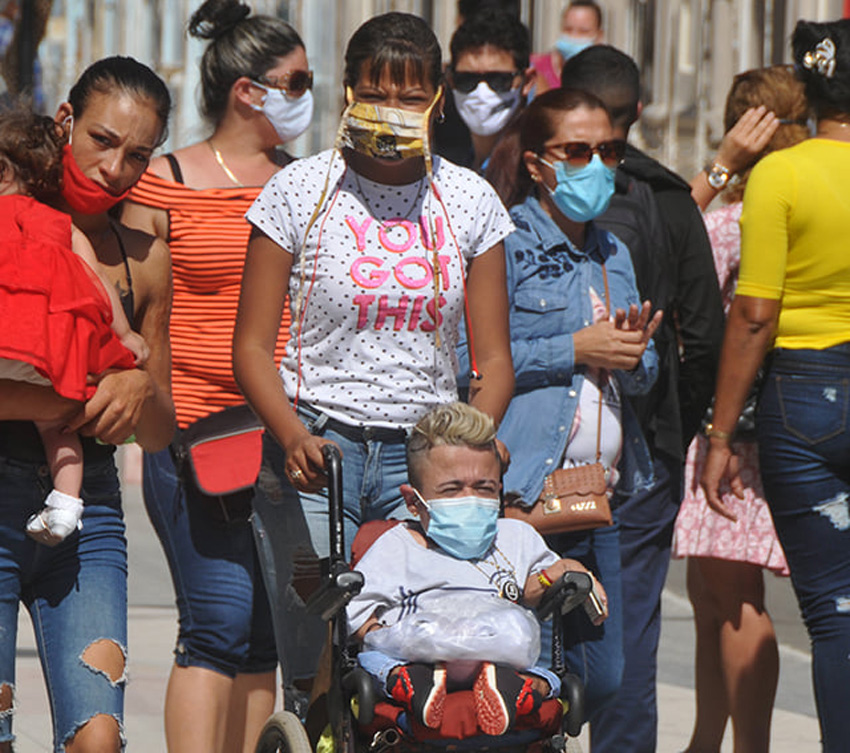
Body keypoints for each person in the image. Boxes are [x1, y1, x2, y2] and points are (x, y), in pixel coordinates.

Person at [233, 10, 515, 693]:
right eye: (378, 94)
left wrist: (475, 442)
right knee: (317, 659)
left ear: (438, 97)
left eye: (412, 96)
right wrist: (292, 433)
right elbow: (249, 347)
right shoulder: (299, 191)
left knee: (415, 647)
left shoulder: (469, 199)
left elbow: (495, 361)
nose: (394, 110)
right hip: (316, 454)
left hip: (423, 463)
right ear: (348, 94)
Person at [121, 1, 309, 750]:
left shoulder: (305, 183)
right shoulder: (164, 183)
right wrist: (155, 418)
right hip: (193, 437)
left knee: (268, 627)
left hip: (285, 437)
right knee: (217, 621)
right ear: (247, 90)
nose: (309, 93)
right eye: (297, 80)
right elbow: (140, 315)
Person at [0, 55, 174, 753]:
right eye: (103, 140)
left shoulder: (143, 254)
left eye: (137, 154)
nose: (115, 168)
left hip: (90, 509)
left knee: (98, 737)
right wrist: (65, 392)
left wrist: (138, 386)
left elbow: (159, 430)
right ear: (66, 120)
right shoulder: (9, 221)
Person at [561, 45, 724, 753]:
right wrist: (674, 428)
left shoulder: (524, 191)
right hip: (642, 462)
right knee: (625, 639)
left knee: (525, 631)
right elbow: (706, 336)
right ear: (642, 110)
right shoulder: (670, 200)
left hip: (541, 450)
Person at [483, 86, 661, 728]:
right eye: (578, 151)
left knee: (605, 678)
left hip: (595, 497)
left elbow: (641, 377)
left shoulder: (613, 251)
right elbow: (473, 363)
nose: (597, 165)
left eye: (609, 151)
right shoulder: (506, 243)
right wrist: (575, 346)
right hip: (526, 494)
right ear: (538, 163)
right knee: (523, 667)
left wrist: (634, 353)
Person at [701, 20, 850, 751]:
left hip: (807, 393)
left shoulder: (783, 177)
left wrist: (722, 433)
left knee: (834, 611)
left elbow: (754, 315)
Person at [675, 65, 808, 753]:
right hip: (776, 414)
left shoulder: (733, 221)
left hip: (730, 425)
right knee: (711, 598)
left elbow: (668, 238)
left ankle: (745, 745)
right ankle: (705, 739)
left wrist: (720, 167)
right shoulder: (805, 206)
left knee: (734, 603)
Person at [348, 402, 606, 736]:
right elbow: (356, 611)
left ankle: (511, 689)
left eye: (484, 488)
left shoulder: (517, 537)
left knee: (551, 676)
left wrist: (564, 568)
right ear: (414, 502)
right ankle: (417, 683)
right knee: (371, 658)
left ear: (499, 489)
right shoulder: (396, 546)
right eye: (452, 489)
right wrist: (381, 634)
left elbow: (534, 593)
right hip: (422, 656)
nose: (470, 498)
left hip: (497, 657)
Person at [0, 108, 149, 547]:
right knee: (58, 429)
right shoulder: (60, 226)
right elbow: (97, 285)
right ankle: (65, 505)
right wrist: (125, 336)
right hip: (48, 357)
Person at [443, 9, 535, 172]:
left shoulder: (536, 167)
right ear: (451, 80)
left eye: (499, 80)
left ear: (526, 81)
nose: (481, 92)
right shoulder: (446, 163)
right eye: (467, 80)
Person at [530, 1, 603, 95]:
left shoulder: (602, 77)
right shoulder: (535, 67)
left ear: (599, 36)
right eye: (568, 29)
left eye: (583, 31)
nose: (574, 37)